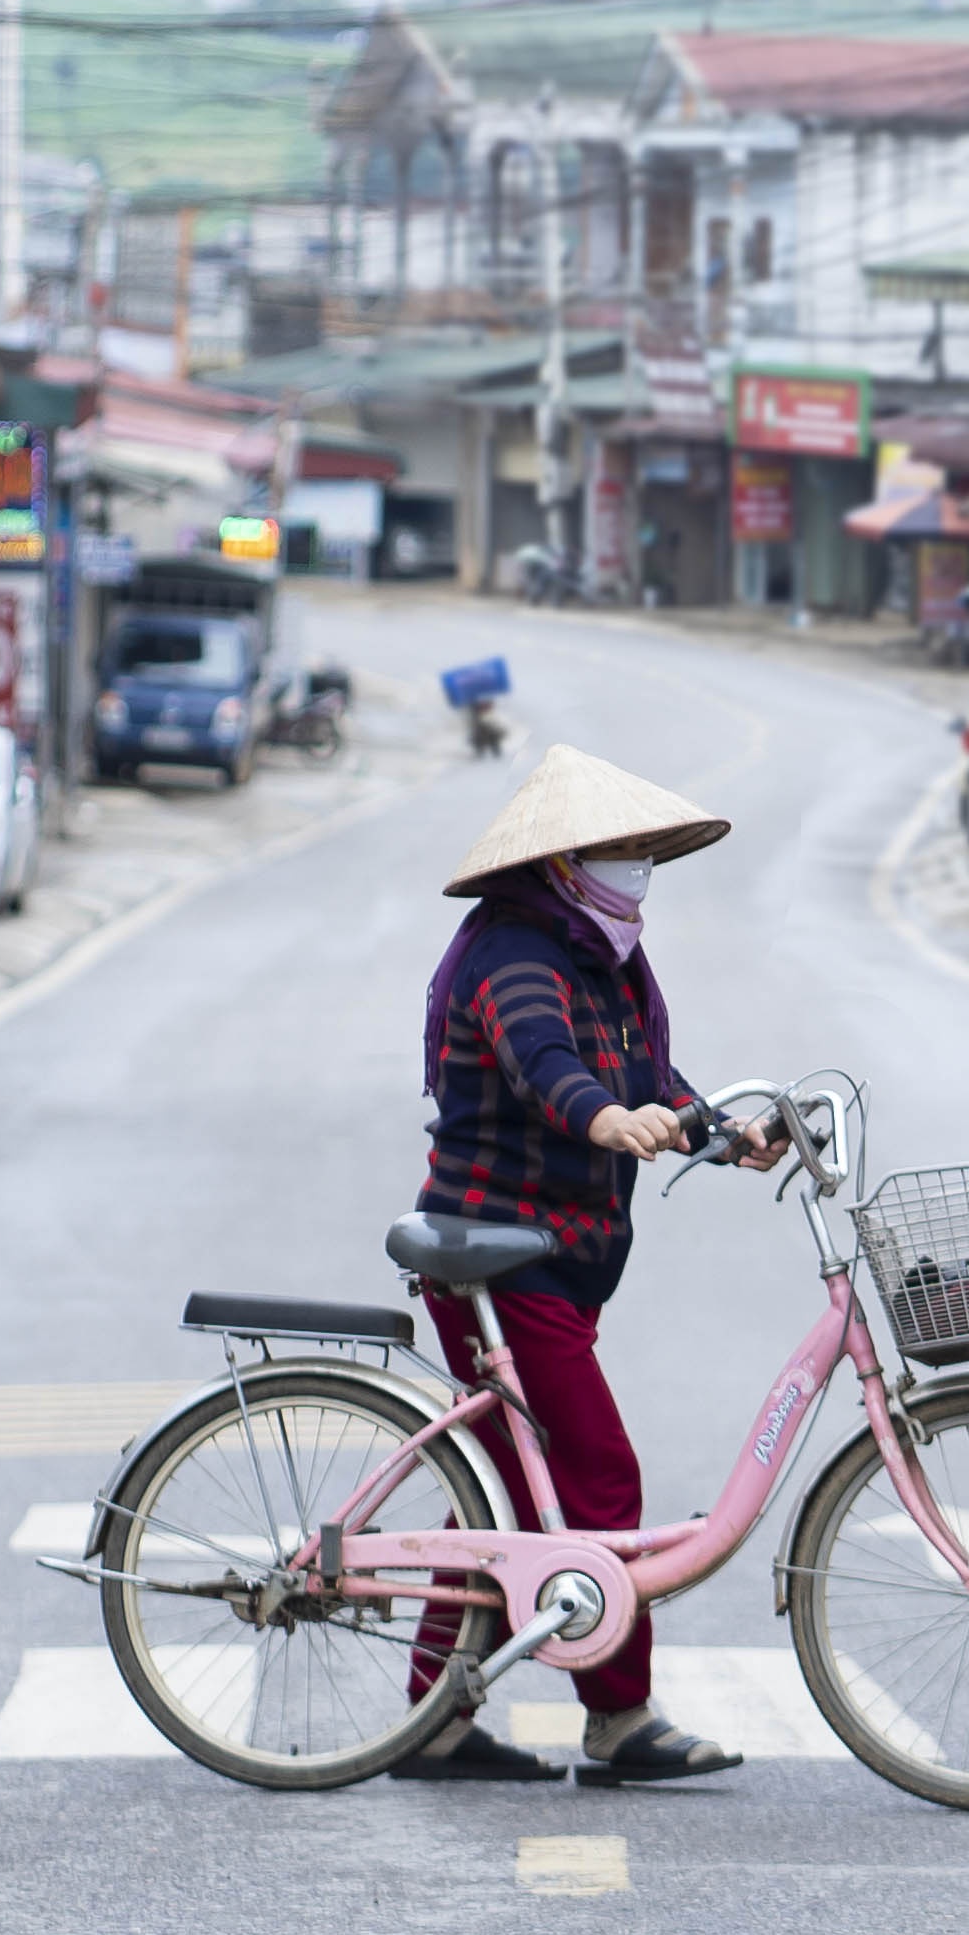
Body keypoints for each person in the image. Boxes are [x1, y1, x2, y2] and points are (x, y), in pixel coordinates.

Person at [399, 741, 775, 1787]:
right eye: (620, 847)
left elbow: (649, 1072)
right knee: (598, 1472)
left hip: (555, 1255)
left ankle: (431, 1718)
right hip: (500, 1253)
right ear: (564, 861)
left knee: (516, 1494)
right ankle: (620, 1716)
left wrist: (724, 1133)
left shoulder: (605, 953)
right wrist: (610, 1121)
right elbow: (550, 1064)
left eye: (645, 847)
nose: (638, 863)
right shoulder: (513, 950)